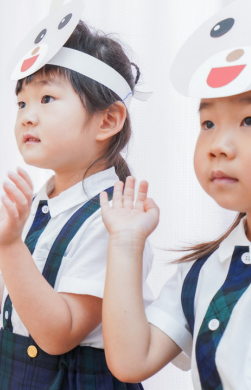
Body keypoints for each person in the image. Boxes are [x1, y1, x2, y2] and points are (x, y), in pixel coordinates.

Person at [0, 9, 153, 389]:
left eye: (47, 98)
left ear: (108, 120)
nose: (27, 117)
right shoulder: (36, 203)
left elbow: (58, 334)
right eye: (21, 103)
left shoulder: (116, 219)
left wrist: (9, 245)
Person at [100, 1, 251, 388]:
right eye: (208, 122)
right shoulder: (202, 272)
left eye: (248, 119)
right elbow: (132, 360)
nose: (218, 144)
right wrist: (126, 244)